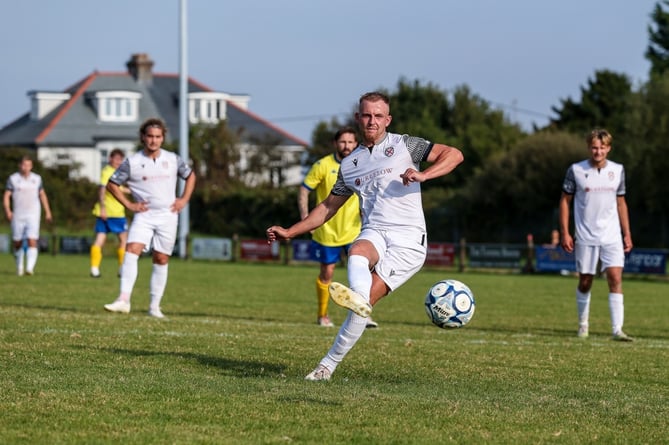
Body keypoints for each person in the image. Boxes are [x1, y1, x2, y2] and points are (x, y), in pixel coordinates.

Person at [266, 91, 464, 380]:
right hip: (375, 231)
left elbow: (454, 155)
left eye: (378, 116)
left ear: (388, 119)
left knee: (359, 309)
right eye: (367, 115)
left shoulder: (405, 145)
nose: (372, 121)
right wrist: (291, 231)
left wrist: (424, 175)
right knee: (357, 252)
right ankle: (358, 299)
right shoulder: (349, 164)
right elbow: (327, 208)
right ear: (358, 118)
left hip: (409, 242)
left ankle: (328, 365)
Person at [103, 118, 196, 318]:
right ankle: (123, 299)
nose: (153, 140)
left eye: (157, 137)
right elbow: (111, 184)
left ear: (162, 138)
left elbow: (190, 176)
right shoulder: (133, 162)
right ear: (143, 138)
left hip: (168, 215)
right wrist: (129, 205)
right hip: (144, 215)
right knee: (131, 249)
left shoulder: (173, 159)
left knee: (161, 258)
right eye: (150, 136)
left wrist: (184, 199)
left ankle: (154, 306)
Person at [559, 129, 633, 342]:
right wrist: (565, 232)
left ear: (608, 148)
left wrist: (627, 233)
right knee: (585, 281)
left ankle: (617, 329)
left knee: (615, 278)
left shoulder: (618, 170)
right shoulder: (576, 170)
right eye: (594, 147)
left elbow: (621, 202)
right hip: (585, 235)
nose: (598, 151)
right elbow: (565, 201)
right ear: (589, 147)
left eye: (602, 147)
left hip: (612, 236)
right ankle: (583, 325)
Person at [298, 127, 377, 328]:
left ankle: (364, 312)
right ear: (336, 144)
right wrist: (305, 218)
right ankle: (322, 315)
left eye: (351, 142)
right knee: (327, 274)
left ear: (355, 143)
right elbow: (304, 190)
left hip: (354, 230)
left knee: (363, 271)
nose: (347, 146)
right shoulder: (322, 165)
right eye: (343, 142)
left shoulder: (362, 164)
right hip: (327, 231)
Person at [3, 155, 53, 276]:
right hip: (18, 214)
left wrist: (48, 211)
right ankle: (19, 267)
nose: (26, 168)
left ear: (31, 166)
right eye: (24, 165)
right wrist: (8, 211)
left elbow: (42, 195)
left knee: (32, 240)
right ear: (19, 165)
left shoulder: (37, 179)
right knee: (17, 242)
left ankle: (29, 269)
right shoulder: (13, 179)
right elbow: (6, 196)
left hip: (33, 214)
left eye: (28, 165)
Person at [90, 149, 128, 278]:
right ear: (110, 159)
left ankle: (95, 268)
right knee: (122, 240)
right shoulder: (107, 172)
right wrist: (102, 208)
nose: (118, 162)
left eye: (120, 159)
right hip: (112, 212)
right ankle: (121, 269)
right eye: (116, 159)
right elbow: (102, 190)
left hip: (115, 211)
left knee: (102, 238)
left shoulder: (117, 173)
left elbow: (119, 189)